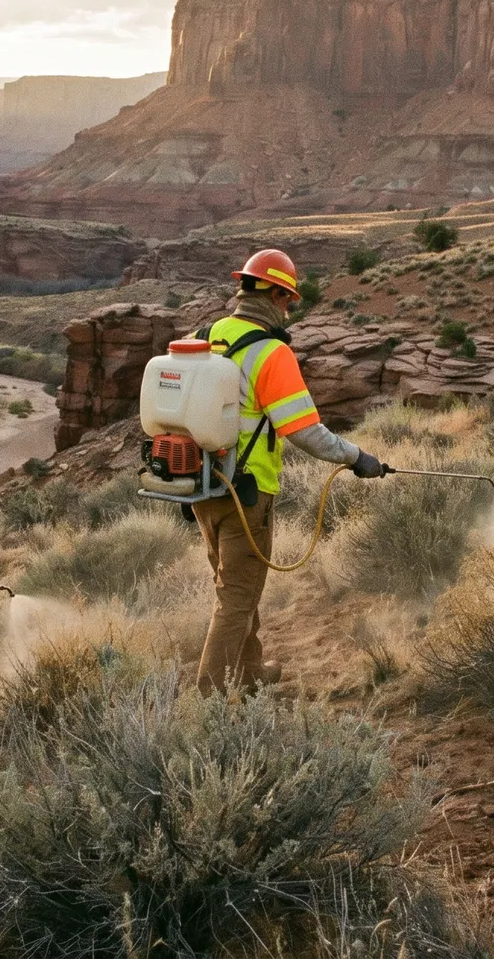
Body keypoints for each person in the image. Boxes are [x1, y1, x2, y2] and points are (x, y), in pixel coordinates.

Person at [194, 249, 387, 693]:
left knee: (238, 588)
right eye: (288, 301)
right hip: (247, 491)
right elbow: (304, 431)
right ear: (277, 294)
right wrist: (357, 457)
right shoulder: (271, 352)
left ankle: (250, 674)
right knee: (237, 597)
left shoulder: (206, 334)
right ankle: (206, 702)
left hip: (201, 486)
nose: (288, 311)